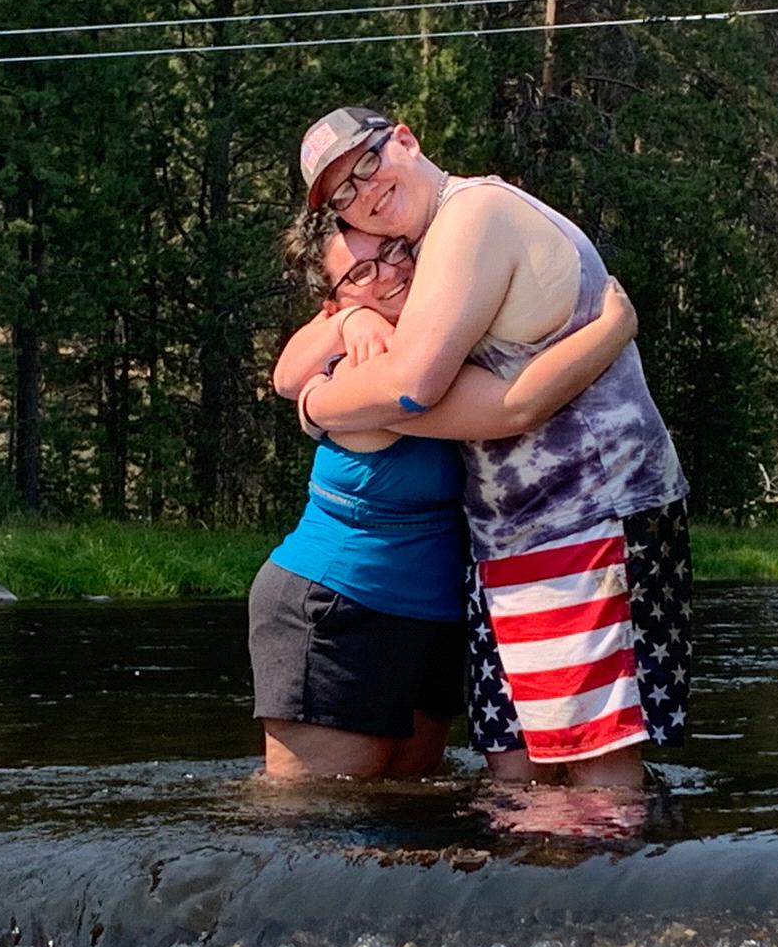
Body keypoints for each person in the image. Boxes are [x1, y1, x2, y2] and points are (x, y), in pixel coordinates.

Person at [293, 107, 691, 788]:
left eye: (368, 164)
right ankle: (542, 898)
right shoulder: (424, 256)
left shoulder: (472, 215)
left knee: (594, 782)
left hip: (589, 520)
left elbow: (414, 387)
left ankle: (614, 895)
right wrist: (349, 323)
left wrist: (318, 406)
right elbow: (304, 365)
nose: (367, 192)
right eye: (345, 194)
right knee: (516, 780)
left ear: (408, 140)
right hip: (510, 542)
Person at [252, 209, 642, 780]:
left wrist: (348, 317)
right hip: (339, 606)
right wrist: (613, 328)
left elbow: (291, 371)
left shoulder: (441, 336)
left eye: (392, 250)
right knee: (316, 830)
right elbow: (517, 406)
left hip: (431, 616)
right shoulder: (384, 372)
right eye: (361, 274)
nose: (389, 273)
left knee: (406, 822)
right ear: (329, 302)